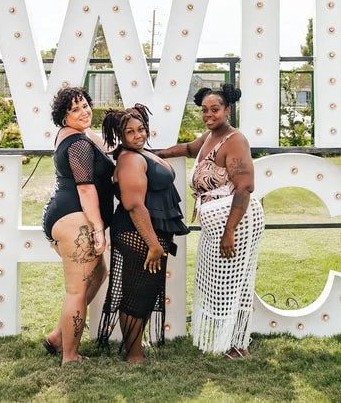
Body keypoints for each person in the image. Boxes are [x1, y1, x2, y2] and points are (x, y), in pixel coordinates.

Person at [155, 83, 264, 359]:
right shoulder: (209, 138)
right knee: (216, 283)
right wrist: (156, 154)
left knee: (233, 283)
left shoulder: (235, 140)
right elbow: (189, 149)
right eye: (204, 110)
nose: (208, 114)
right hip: (215, 223)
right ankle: (229, 340)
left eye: (215, 109)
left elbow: (245, 187)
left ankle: (237, 345)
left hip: (235, 221)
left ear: (227, 110)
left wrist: (229, 231)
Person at [96, 104, 189, 363]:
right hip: (138, 234)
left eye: (141, 129)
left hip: (148, 233)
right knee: (137, 292)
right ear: (120, 136)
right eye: (130, 132)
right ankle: (134, 355)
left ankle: (136, 348)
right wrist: (153, 244)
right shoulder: (130, 159)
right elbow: (134, 205)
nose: (138, 135)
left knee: (145, 291)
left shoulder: (142, 153)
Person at [39, 86, 115, 365]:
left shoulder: (76, 135)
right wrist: (98, 229)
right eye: (75, 109)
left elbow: (107, 148)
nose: (83, 112)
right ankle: (69, 356)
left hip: (63, 214)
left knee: (98, 272)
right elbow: (86, 189)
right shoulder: (79, 144)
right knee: (77, 290)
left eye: (84, 105)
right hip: (75, 219)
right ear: (63, 116)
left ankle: (59, 336)